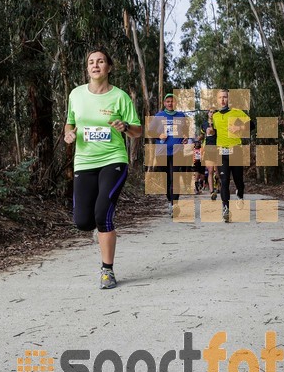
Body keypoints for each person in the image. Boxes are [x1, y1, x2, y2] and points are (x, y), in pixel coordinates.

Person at [64, 48, 142, 289]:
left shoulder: (120, 97)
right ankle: (100, 229)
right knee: (82, 221)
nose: (95, 65)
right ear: (87, 68)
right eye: (91, 62)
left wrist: (125, 126)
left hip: (113, 160)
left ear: (109, 67)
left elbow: (137, 131)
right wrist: (68, 134)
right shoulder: (76, 94)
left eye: (100, 61)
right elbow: (70, 123)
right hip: (85, 162)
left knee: (102, 214)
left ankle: (107, 270)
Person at [211, 89, 254, 223]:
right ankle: (225, 209)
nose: (223, 100)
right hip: (221, 152)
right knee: (224, 181)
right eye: (220, 98)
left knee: (238, 180)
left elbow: (251, 125)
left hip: (235, 150)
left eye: (225, 97)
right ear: (217, 100)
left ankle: (240, 194)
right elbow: (215, 134)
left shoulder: (236, 112)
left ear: (229, 99)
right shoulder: (215, 116)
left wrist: (239, 128)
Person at [149, 93, 190, 215]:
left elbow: (185, 132)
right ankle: (170, 200)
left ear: (175, 103)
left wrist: (185, 137)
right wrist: (159, 135)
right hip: (162, 152)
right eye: (168, 101)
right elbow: (150, 132)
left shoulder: (181, 116)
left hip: (178, 151)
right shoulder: (158, 116)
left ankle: (175, 204)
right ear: (164, 103)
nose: (170, 103)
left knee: (175, 178)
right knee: (166, 179)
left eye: (172, 101)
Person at [202, 108, 218, 200]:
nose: (212, 114)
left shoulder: (219, 123)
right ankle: (212, 192)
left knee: (217, 172)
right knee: (210, 171)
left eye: (214, 112)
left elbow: (212, 131)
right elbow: (207, 131)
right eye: (211, 112)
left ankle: (217, 186)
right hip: (209, 149)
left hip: (218, 148)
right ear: (208, 114)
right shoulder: (204, 124)